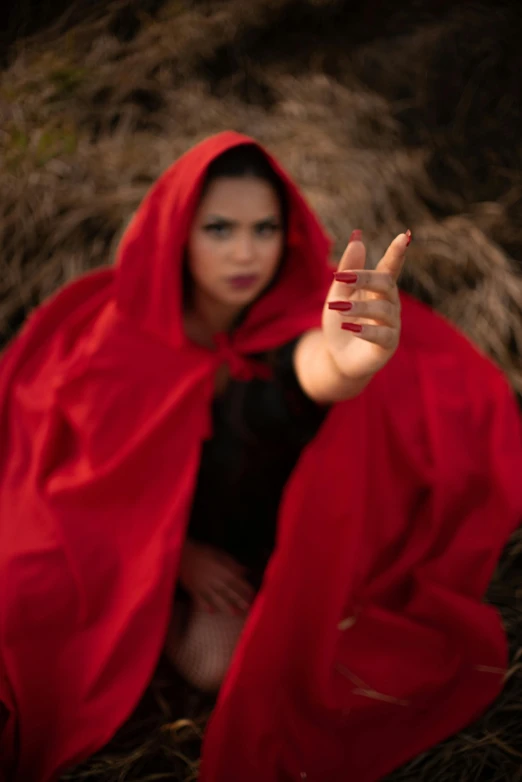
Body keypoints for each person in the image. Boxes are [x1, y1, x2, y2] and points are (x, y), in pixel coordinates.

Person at [0, 131, 521, 782]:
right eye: (219, 228)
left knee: (228, 665)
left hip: (254, 548)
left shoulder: (300, 317)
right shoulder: (117, 341)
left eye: (264, 228)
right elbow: (78, 488)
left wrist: (345, 366)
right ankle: (147, 604)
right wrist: (177, 557)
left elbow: (304, 375)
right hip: (152, 549)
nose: (245, 251)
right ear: (177, 235)